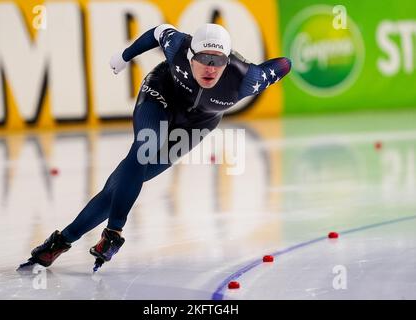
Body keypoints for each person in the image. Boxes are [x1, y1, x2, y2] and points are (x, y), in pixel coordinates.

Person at [19, 23, 292, 271]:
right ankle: (113, 233)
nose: (210, 68)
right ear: (190, 55)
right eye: (203, 59)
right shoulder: (178, 46)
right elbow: (158, 31)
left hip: (198, 123)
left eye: (218, 60)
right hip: (160, 95)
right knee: (143, 150)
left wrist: (271, 67)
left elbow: (284, 63)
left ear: (227, 59)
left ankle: (61, 242)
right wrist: (125, 56)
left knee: (122, 182)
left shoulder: (245, 77)